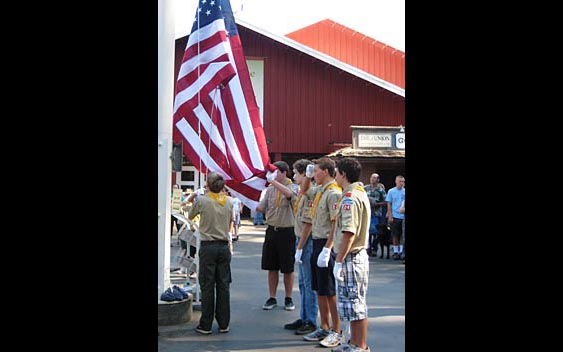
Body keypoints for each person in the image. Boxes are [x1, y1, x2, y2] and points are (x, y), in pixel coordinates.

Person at [329, 157, 372, 352]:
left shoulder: (350, 198)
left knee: (355, 303)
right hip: (353, 255)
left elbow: (348, 232)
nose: (335, 176)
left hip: (351, 256)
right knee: (350, 303)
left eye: (336, 172)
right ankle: (354, 343)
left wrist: (338, 261)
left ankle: (360, 346)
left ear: (343, 174)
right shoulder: (355, 193)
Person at [304, 157, 344, 348]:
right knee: (319, 288)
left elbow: (336, 223)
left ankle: (337, 330)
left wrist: (328, 249)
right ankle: (324, 326)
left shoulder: (334, 193)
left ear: (326, 172)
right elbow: (304, 191)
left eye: (316, 171)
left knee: (329, 290)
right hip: (317, 241)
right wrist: (306, 174)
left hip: (327, 244)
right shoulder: (321, 190)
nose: (314, 174)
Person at [187, 172, 234, 335]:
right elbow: (230, 222)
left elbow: (191, 215)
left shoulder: (203, 201)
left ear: (208, 185)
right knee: (223, 285)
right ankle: (224, 323)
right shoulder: (229, 202)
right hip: (223, 246)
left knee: (207, 286)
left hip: (208, 246)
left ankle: (206, 324)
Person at [255, 161, 298, 311]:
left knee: (287, 268)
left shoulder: (292, 186)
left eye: (276, 172)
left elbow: (289, 194)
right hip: (272, 230)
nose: (273, 175)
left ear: (284, 173)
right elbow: (262, 207)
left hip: (287, 231)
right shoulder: (270, 190)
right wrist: (249, 201)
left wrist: (272, 181)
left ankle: (288, 297)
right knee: (271, 266)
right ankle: (272, 297)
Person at [283, 159, 318, 335]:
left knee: (309, 283)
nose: (294, 176)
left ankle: (311, 320)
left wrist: (300, 247)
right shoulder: (303, 192)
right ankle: (304, 317)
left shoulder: (310, 192)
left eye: (297, 173)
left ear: (305, 174)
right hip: (300, 239)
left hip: (307, 241)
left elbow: (308, 224)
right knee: (303, 283)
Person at [363, 173, 387, 257]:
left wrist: (376, 204)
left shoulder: (380, 190)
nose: (372, 180)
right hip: (366, 213)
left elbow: (385, 201)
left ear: (378, 180)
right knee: (367, 231)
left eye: (374, 178)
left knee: (377, 232)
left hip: (377, 213)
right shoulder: (365, 188)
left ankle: (374, 247)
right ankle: (368, 248)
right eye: (371, 178)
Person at [385, 175, 405, 260]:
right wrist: (390, 215)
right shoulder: (391, 191)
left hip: (403, 216)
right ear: (396, 182)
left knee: (402, 235)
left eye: (403, 182)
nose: (402, 183)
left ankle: (401, 251)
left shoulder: (405, 191)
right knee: (395, 234)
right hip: (395, 215)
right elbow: (389, 204)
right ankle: (396, 252)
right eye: (400, 181)